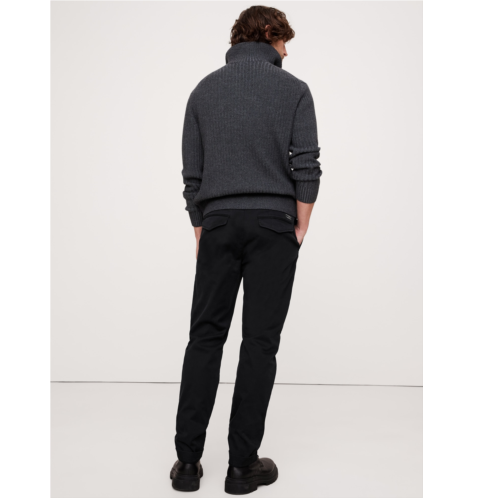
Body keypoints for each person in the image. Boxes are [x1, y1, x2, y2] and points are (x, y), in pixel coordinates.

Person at [171, 5, 322, 494]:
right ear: (270, 34)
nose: (287, 52)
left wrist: (202, 228)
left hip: (217, 224)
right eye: (285, 41)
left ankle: (187, 464)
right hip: (274, 226)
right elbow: (307, 165)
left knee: (204, 337)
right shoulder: (294, 90)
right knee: (259, 343)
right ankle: (241, 467)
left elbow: (192, 175)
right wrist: (300, 227)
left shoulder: (203, 90)